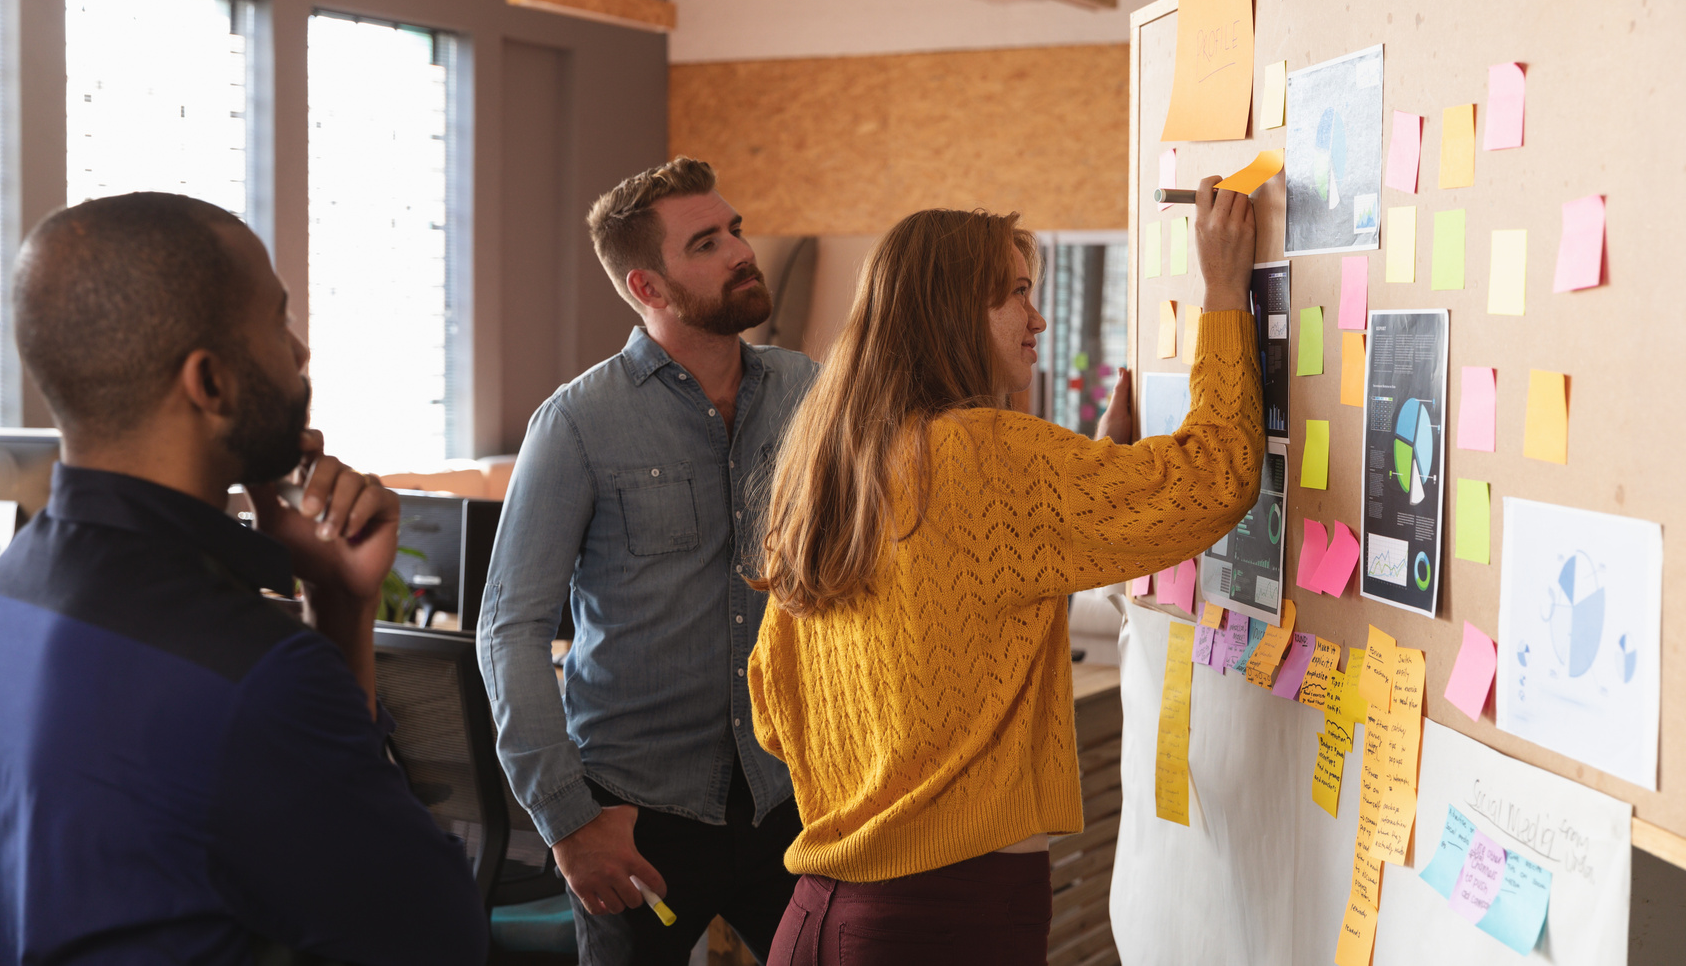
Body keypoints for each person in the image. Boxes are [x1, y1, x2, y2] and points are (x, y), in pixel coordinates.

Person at [748, 180, 1264, 964]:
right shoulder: (987, 457)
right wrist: (1225, 292)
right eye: (1017, 294)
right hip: (943, 921)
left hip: (822, 918)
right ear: (951, 310)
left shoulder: (831, 468)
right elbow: (1214, 476)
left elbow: (772, 711)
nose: (1039, 318)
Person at [0, 193, 487, 965]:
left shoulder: (12, 586)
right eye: (277, 322)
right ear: (212, 382)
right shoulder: (254, 676)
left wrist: (342, 602)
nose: (299, 353)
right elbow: (436, 941)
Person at [477, 158, 819, 964]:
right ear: (649, 286)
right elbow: (510, 630)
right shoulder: (578, 422)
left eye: (735, 228)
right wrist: (567, 821)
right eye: (707, 242)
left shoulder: (807, 390)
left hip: (790, 799)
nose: (741, 250)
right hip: (636, 816)